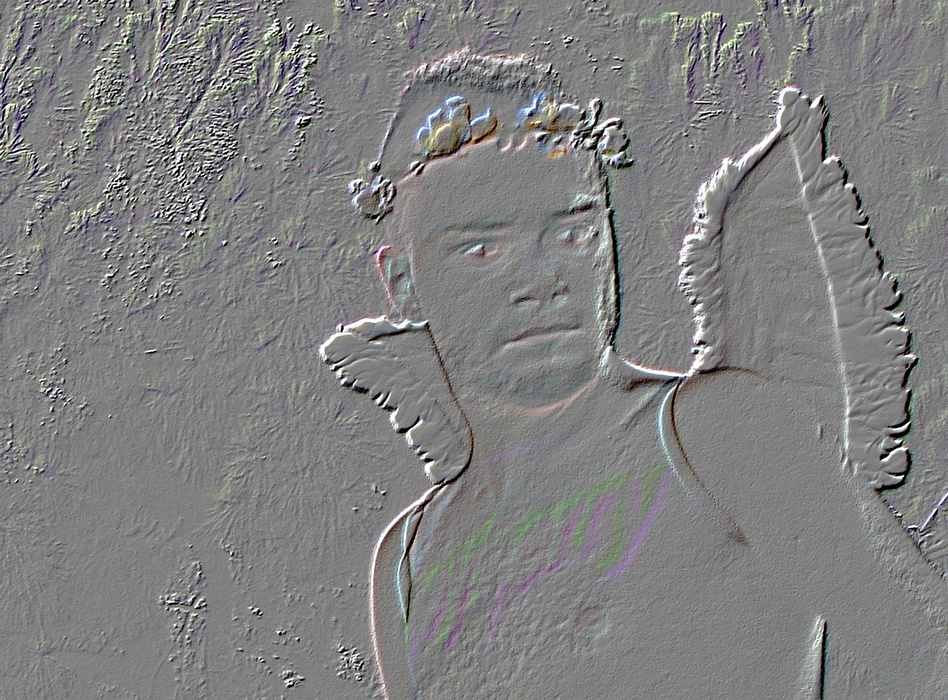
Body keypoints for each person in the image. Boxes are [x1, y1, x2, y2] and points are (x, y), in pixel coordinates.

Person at [322, 49, 948, 698]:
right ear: (403, 283)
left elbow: (931, 654)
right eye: (483, 249)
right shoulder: (407, 559)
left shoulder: (717, 434)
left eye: (573, 235)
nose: (542, 280)